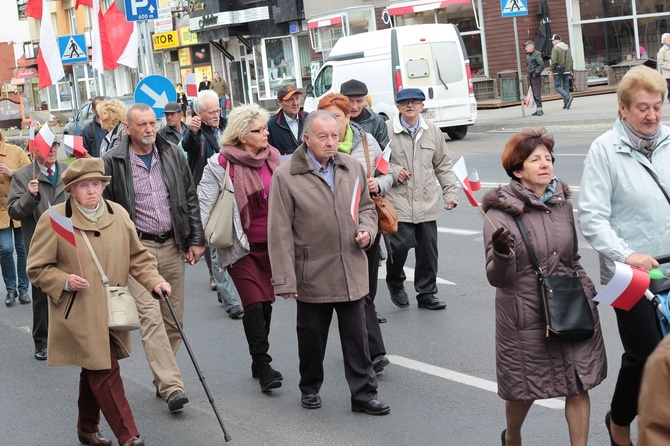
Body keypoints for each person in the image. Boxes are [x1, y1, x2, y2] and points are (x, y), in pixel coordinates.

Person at [27, 157, 170, 446]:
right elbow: (37, 268)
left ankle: (86, 427)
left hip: (113, 308)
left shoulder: (117, 213)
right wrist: (64, 280)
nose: (92, 191)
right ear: (71, 190)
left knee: (94, 367)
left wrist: (155, 280)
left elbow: (137, 257)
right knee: (104, 368)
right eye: (83, 186)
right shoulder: (56, 219)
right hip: (77, 311)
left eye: (96, 184)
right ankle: (128, 435)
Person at [483, 129, 607, 446]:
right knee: (526, 388)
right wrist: (501, 251)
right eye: (535, 159)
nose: (545, 164)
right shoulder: (499, 212)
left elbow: (573, 257)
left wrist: (588, 293)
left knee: (577, 383)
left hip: (569, 307)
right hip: (525, 315)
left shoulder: (562, 204)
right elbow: (498, 278)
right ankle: (512, 435)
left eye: (548, 158)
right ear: (517, 169)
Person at [268, 110, 390, 415]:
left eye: (334, 135)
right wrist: (285, 280)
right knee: (312, 339)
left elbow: (367, 208)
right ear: (307, 138)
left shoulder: (351, 167)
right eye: (323, 136)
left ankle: (363, 395)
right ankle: (309, 386)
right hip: (312, 272)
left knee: (357, 340)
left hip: (351, 268)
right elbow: (279, 231)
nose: (330, 142)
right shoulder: (286, 175)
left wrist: (367, 231)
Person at [578, 65, 670, 446]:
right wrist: (628, 254)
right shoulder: (604, 150)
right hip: (624, 276)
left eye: (658, 105)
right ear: (623, 109)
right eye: (642, 107)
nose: (651, 115)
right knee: (646, 354)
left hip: (668, 266)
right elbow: (591, 216)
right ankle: (619, 420)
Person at [103, 103, 206, 412]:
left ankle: (162, 375)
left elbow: (189, 196)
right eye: (142, 125)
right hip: (138, 251)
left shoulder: (172, 152)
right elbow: (106, 212)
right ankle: (172, 385)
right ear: (128, 128)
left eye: (152, 123)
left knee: (173, 321)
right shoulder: (113, 162)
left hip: (172, 244)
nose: (149, 129)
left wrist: (196, 239)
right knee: (151, 319)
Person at [198, 104, 283, 392]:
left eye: (266, 127)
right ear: (242, 135)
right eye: (259, 130)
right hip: (240, 246)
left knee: (266, 304)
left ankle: (258, 360)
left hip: (272, 246)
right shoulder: (220, 164)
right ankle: (263, 363)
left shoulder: (273, 158)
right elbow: (204, 206)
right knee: (254, 304)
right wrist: (198, 242)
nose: (266, 133)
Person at [317, 93, 391, 374]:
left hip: (365, 223)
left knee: (365, 291)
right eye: (326, 117)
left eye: (337, 116)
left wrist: (379, 182)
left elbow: (389, 171)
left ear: (349, 118)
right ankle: (367, 351)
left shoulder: (366, 143)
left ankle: (371, 351)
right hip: (329, 232)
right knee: (343, 299)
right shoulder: (316, 148)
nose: (332, 124)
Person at [385, 88, 458, 311]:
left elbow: (443, 164)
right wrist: (395, 169)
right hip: (399, 201)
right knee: (398, 249)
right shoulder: (387, 130)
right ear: (397, 106)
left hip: (426, 202)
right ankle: (395, 282)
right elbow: (376, 162)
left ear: (421, 106)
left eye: (415, 102)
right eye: (405, 103)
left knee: (428, 252)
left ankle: (426, 293)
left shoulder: (432, 131)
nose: (410, 106)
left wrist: (450, 193)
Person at [181, 89, 244, 318]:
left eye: (218, 109)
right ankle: (230, 299)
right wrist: (192, 131)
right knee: (214, 240)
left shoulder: (229, 126)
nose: (217, 115)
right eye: (211, 112)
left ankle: (226, 288)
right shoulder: (196, 132)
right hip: (206, 192)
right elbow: (187, 146)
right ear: (199, 112)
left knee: (232, 239)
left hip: (232, 190)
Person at [8, 139, 68, 360]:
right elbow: (14, 211)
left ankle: (68, 336)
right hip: (39, 243)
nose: (52, 150)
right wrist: (30, 196)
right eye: (45, 146)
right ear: (34, 150)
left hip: (68, 240)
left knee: (71, 288)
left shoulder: (67, 170)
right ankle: (41, 341)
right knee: (42, 293)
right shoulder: (23, 176)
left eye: (55, 145)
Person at [0, 131, 31, 307]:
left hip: (19, 206)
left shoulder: (15, 151)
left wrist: (11, 172)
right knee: (5, 249)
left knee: (22, 249)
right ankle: (10, 289)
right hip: (0, 211)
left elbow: (30, 171)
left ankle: (23, 290)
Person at [339, 79, 390, 148]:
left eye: (359, 101)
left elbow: (384, 152)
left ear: (365, 101)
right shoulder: (334, 120)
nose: (354, 107)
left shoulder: (376, 122)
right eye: (350, 101)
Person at [267, 84, 308, 155]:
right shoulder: (271, 125)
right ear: (280, 102)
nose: (295, 103)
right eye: (290, 100)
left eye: (297, 98)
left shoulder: (309, 119)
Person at [549, 34, 574, 110]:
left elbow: (554, 61)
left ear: (557, 40)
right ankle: (566, 104)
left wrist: (551, 70)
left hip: (558, 70)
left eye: (553, 40)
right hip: (567, 70)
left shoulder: (555, 48)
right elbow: (571, 60)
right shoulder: (567, 48)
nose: (552, 42)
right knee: (566, 85)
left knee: (557, 86)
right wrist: (571, 70)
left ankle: (567, 97)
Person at [524, 41, 545, 116]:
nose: (525, 48)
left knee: (536, 93)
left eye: (526, 47)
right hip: (531, 76)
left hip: (535, 76)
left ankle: (539, 108)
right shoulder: (529, 55)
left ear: (531, 47)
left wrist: (536, 73)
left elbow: (541, 65)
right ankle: (538, 108)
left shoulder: (536, 54)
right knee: (534, 92)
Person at [658, 33, 670, 102]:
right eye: (668, 38)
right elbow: (660, 62)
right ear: (664, 40)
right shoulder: (662, 50)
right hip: (668, 72)